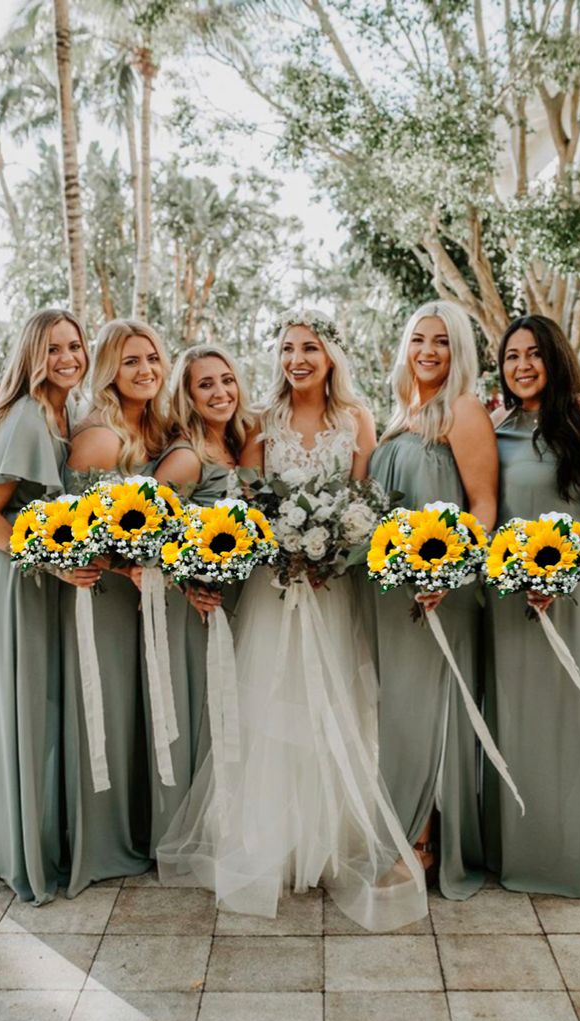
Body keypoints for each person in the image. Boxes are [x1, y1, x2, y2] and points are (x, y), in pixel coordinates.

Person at [158, 309, 428, 931]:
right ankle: (269, 844)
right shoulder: (262, 423)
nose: (297, 359)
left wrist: (331, 549)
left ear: (331, 355)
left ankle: (327, 842)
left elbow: (362, 505)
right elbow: (250, 500)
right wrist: (282, 548)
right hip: (272, 590)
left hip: (331, 589)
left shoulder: (357, 421)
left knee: (331, 703)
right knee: (270, 704)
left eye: (309, 348)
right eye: (287, 349)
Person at [0, 308, 95, 904]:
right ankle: (17, 852)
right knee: (18, 710)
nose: (67, 358)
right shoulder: (26, 417)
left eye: (74, 346)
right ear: (32, 357)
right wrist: (51, 561)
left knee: (37, 712)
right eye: (53, 349)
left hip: (35, 571)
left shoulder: (65, 414)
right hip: (8, 574)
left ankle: (36, 838)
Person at [484, 314, 580, 896]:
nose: (522, 365)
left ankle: (563, 860)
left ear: (556, 357)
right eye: (512, 356)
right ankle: (512, 853)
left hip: (565, 593)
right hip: (506, 597)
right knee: (511, 722)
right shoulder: (497, 425)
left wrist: (561, 571)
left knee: (563, 724)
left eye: (534, 354)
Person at [368, 300, 497, 897]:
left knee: (428, 713)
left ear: (459, 352)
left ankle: (423, 842)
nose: (428, 351)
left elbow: (483, 505)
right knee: (398, 713)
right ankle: (402, 828)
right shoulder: (400, 413)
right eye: (419, 339)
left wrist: (452, 569)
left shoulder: (463, 410)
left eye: (442, 342)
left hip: (440, 587)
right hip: (393, 590)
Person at [61, 317, 172, 895]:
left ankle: (141, 830)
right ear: (109, 369)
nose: (145, 369)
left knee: (136, 711)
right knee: (103, 709)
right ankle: (102, 842)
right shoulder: (101, 436)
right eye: (130, 361)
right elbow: (72, 526)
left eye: (151, 357)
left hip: (141, 598)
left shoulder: (155, 431)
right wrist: (120, 562)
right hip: (101, 596)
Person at [147, 343, 254, 852]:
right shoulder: (187, 456)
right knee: (199, 711)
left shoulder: (237, 445)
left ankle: (226, 822)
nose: (220, 392)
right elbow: (148, 528)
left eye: (226, 380)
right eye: (205, 384)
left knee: (228, 711)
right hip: (198, 604)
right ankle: (188, 832)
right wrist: (187, 581)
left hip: (237, 600)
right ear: (187, 396)